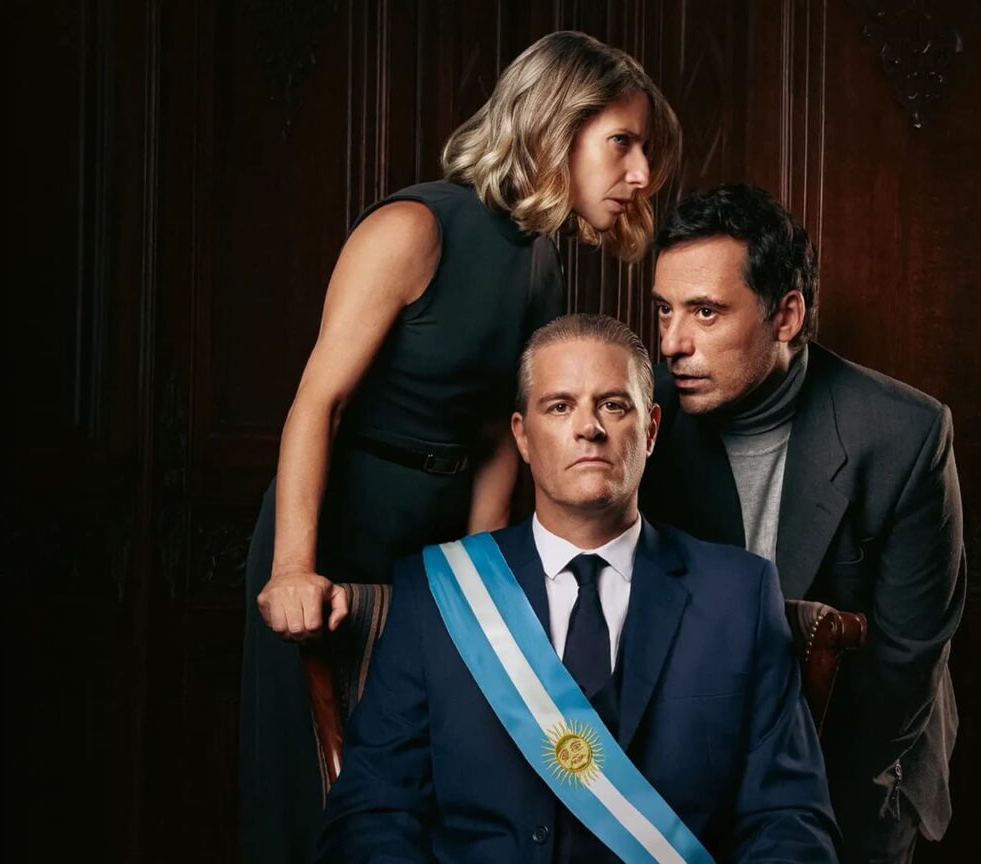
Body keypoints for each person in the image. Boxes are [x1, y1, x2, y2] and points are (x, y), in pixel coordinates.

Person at [240, 32, 682, 863]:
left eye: (645, 150)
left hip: (435, 544)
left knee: (425, 794)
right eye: (622, 142)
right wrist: (293, 567)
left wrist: (482, 581)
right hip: (330, 531)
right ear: (554, 126)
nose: (641, 174)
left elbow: (495, 440)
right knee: (307, 807)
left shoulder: (542, 261)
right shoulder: (414, 228)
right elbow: (317, 404)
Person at [318, 314, 838, 863]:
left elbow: (790, 821)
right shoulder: (437, 595)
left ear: (651, 430)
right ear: (522, 435)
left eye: (613, 405)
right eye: (560, 406)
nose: (589, 427)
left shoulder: (738, 597)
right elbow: (372, 813)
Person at [640, 184, 965, 863]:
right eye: (665, 309)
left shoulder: (905, 433)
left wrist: (792, 802)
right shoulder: (643, 420)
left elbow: (906, 659)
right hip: (690, 765)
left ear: (786, 315)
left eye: (705, 312)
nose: (671, 343)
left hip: (860, 765)